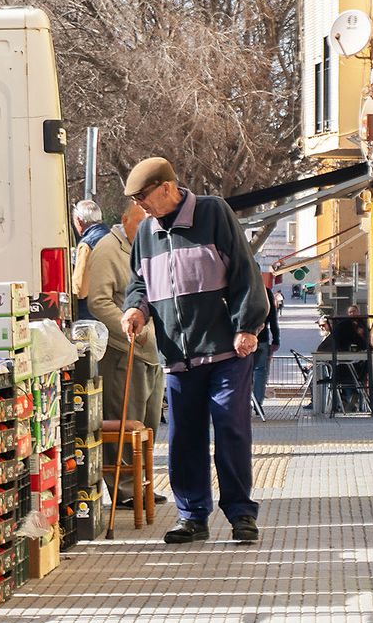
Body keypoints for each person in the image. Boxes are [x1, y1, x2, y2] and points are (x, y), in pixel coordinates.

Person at [121, 157, 268, 545]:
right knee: (185, 437)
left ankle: (240, 515)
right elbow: (138, 282)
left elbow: (243, 271)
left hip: (226, 350)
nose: (141, 206)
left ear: (167, 187)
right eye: (136, 199)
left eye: (144, 196)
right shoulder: (147, 233)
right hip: (177, 355)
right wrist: (135, 308)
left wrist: (246, 326)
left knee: (230, 427)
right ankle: (192, 517)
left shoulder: (213, 212)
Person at [85, 202, 166, 508]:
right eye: (143, 223)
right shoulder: (109, 248)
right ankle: (124, 487)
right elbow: (99, 301)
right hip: (123, 350)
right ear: (126, 220)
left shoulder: (150, 247)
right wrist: (131, 329)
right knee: (123, 422)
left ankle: (143, 483)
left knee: (147, 423)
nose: (148, 229)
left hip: (153, 351)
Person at [70, 199, 110, 319]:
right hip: (114, 305)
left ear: (79, 220)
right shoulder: (112, 237)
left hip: (92, 312)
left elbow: (81, 289)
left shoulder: (87, 245)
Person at [249, 282, 281, 412]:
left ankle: (244, 404)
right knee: (260, 371)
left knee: (242, 372)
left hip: (240, 339)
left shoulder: (238, 288)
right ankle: (258, 404)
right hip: (261, 339)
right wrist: (276, 339)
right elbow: (273, 317)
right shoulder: (265, 292)